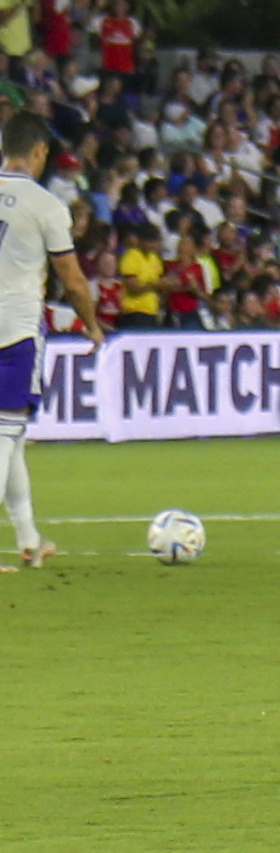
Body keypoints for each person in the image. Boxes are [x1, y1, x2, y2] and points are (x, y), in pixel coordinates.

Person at [0, 113, 105, 573]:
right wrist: (92, 324)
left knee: (13, 439)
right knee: (4, 434)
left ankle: (29, 541)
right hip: (14, 331)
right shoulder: (44, 205)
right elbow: (72, 277)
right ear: (39, 152)